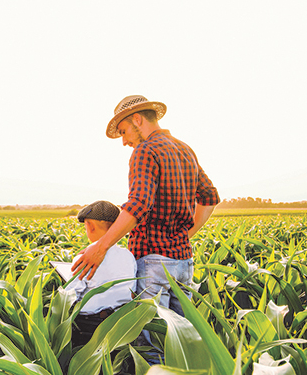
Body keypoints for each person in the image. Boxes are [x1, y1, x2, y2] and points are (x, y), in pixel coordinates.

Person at [71, 95, 220, 317]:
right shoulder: (185, 149)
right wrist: (184, 236)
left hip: (153, 264)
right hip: (184, 263)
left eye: (123, 131)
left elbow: (138, 205)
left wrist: (101, 247)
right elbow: (210, 197)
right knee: (180, 341)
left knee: (151, 343)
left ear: (137, 120)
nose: (124, 141)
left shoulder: (144, 151)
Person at [66, 200, 136, 346]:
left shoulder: (84, 258)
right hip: (120, 322)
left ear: (90, 227)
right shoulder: (129, 256)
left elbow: (70, 295)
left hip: (89, 325)